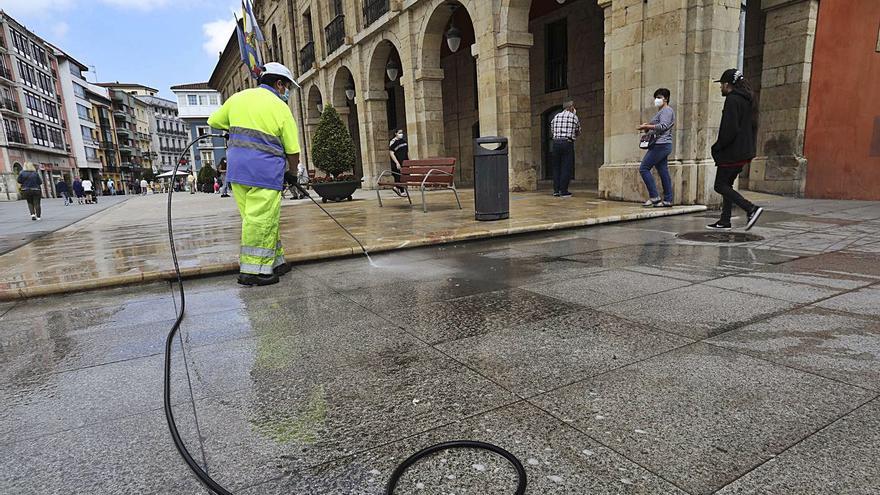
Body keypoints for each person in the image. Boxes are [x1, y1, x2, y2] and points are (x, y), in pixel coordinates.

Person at [207, 62, 301, 286]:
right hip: (265, 173)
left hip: (238, 172)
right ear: (279, 83)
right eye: (287, 87)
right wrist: (293, 172)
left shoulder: (238, 98)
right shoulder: (280, 108)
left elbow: (214, 121)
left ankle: (275, 262)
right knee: (260, 221)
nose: (287, 92)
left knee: (260, 219)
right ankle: (253, 272)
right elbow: (293, 150)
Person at [708, 68, 764, 231]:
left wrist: (717, 147)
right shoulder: (748, 99)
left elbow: (729, 129)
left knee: (720, 185)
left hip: (732, 152)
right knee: (727, 185)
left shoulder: (732, 100)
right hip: (744, 151)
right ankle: (725, 221)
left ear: (728, 84)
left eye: (722, 85)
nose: (720, 88)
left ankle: (751, 209)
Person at [637, 88, 675, 207]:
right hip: (662, 144)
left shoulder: (667, 111)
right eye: (656, 97)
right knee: (663, 171)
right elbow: (659, 126)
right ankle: (668, 199)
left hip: (661, 144)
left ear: (666, 99)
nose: (657, 100)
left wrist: (648, 126)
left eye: (659, 97)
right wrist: (647, 127)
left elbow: (663, 126)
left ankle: (654, 196)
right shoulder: (661, 111)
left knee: (644, 168)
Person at [549, 99, 581, 198]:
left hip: (556, 143)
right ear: (571, 107)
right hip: (567, 143)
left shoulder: (556, 117)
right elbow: (578, 131)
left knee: (556, 167)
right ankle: (564, 190)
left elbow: (552, 130)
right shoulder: (574, 117)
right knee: (566, 166)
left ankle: (556, 190)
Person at [388, 129, 408, 196]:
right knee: (399, 176)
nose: (401, 134)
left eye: (402, 133)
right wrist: (397, 162)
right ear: (396, 133)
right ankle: (400, 190)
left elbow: (407, 152)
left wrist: (409, 161)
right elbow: (391, 153)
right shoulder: (393, 142)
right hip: (398, 162)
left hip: (405, 161)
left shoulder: (404, 142)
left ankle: (398, 188)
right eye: (399, 133)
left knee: (404, 176)